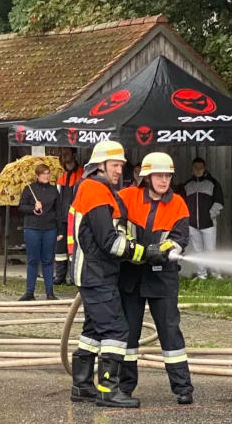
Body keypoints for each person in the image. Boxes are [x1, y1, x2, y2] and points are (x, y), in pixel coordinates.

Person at [69, 140, 160, 409]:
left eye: (121, 165)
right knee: (116, 330)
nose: (119, 170)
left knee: (94, 330)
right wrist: (144, 253)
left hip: (96, 273)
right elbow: (110, 241)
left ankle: (81, 385)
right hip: (96, 274)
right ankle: (108, 389)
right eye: (115, 165)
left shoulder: (100, 190)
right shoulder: (96, 191)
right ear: (100, 166)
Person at [118, 153, 194, 404]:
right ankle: (125, 386)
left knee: (170, 332)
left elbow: (180, 239)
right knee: (128, 335)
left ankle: (183, 387)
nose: (164, 180)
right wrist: (134, 251)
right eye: (159, 175)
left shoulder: (178, 204)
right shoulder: (127, 197)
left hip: (163, 278)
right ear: (146, 177)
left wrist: (160, 252)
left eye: (168, 176)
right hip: (131, 276)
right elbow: (115, 230)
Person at [16, 163, 61, 300]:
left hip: (49, 229)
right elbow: (21, 207)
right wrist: (33, 208)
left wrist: (60, 231)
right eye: (43, 173)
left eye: (48, 173)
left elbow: (58, 211)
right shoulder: (29, 189)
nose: (46, 176)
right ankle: (30, 292)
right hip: (32, 228)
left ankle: (50, 292)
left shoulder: (54, 190)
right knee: (33, 260)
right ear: (37, 175)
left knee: (48, 261)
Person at [179, 157, 224, 279]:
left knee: (210, 250)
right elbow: (181, 204)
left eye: (200, 167)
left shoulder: (213, 183)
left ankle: (215, 274)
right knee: (197, 250)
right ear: (192, 169)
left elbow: (219, 202)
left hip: (208, 223)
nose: (198, 170)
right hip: (192, 224)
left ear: (204, 168)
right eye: (196, 167)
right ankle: (201, 274)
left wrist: (211, 215)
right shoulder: (187, 185)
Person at [53, 146, 84, 286]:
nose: (64, 155)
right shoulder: (60, 174)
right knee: (59, 249)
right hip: (61, 217)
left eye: (66, 153)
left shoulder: (81, 173)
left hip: (75, 216)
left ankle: (73, 277)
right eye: (62, 153)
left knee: (73, 248)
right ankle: (59, 276)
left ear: (74, 154)